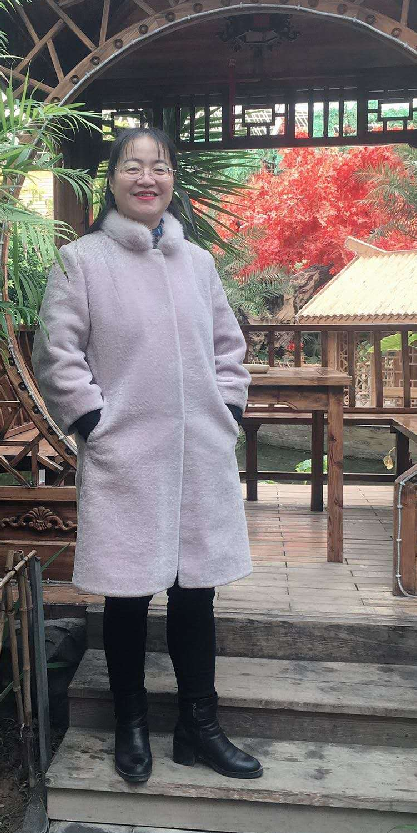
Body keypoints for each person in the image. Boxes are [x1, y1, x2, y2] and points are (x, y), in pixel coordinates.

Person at [32, 127, 262, 785]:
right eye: (132, 166)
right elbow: (57, 355)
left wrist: (227, 409)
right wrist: (95, 423)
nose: (147, 177)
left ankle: (199, 726)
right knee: (127, 597)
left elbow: (229, 348)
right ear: (111, 180)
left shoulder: (199, 265)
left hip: (199, 455)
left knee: (197, 595)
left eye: (159, 166)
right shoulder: (82, 261)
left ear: (171, 181)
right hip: (125, 457)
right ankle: (130, 724)